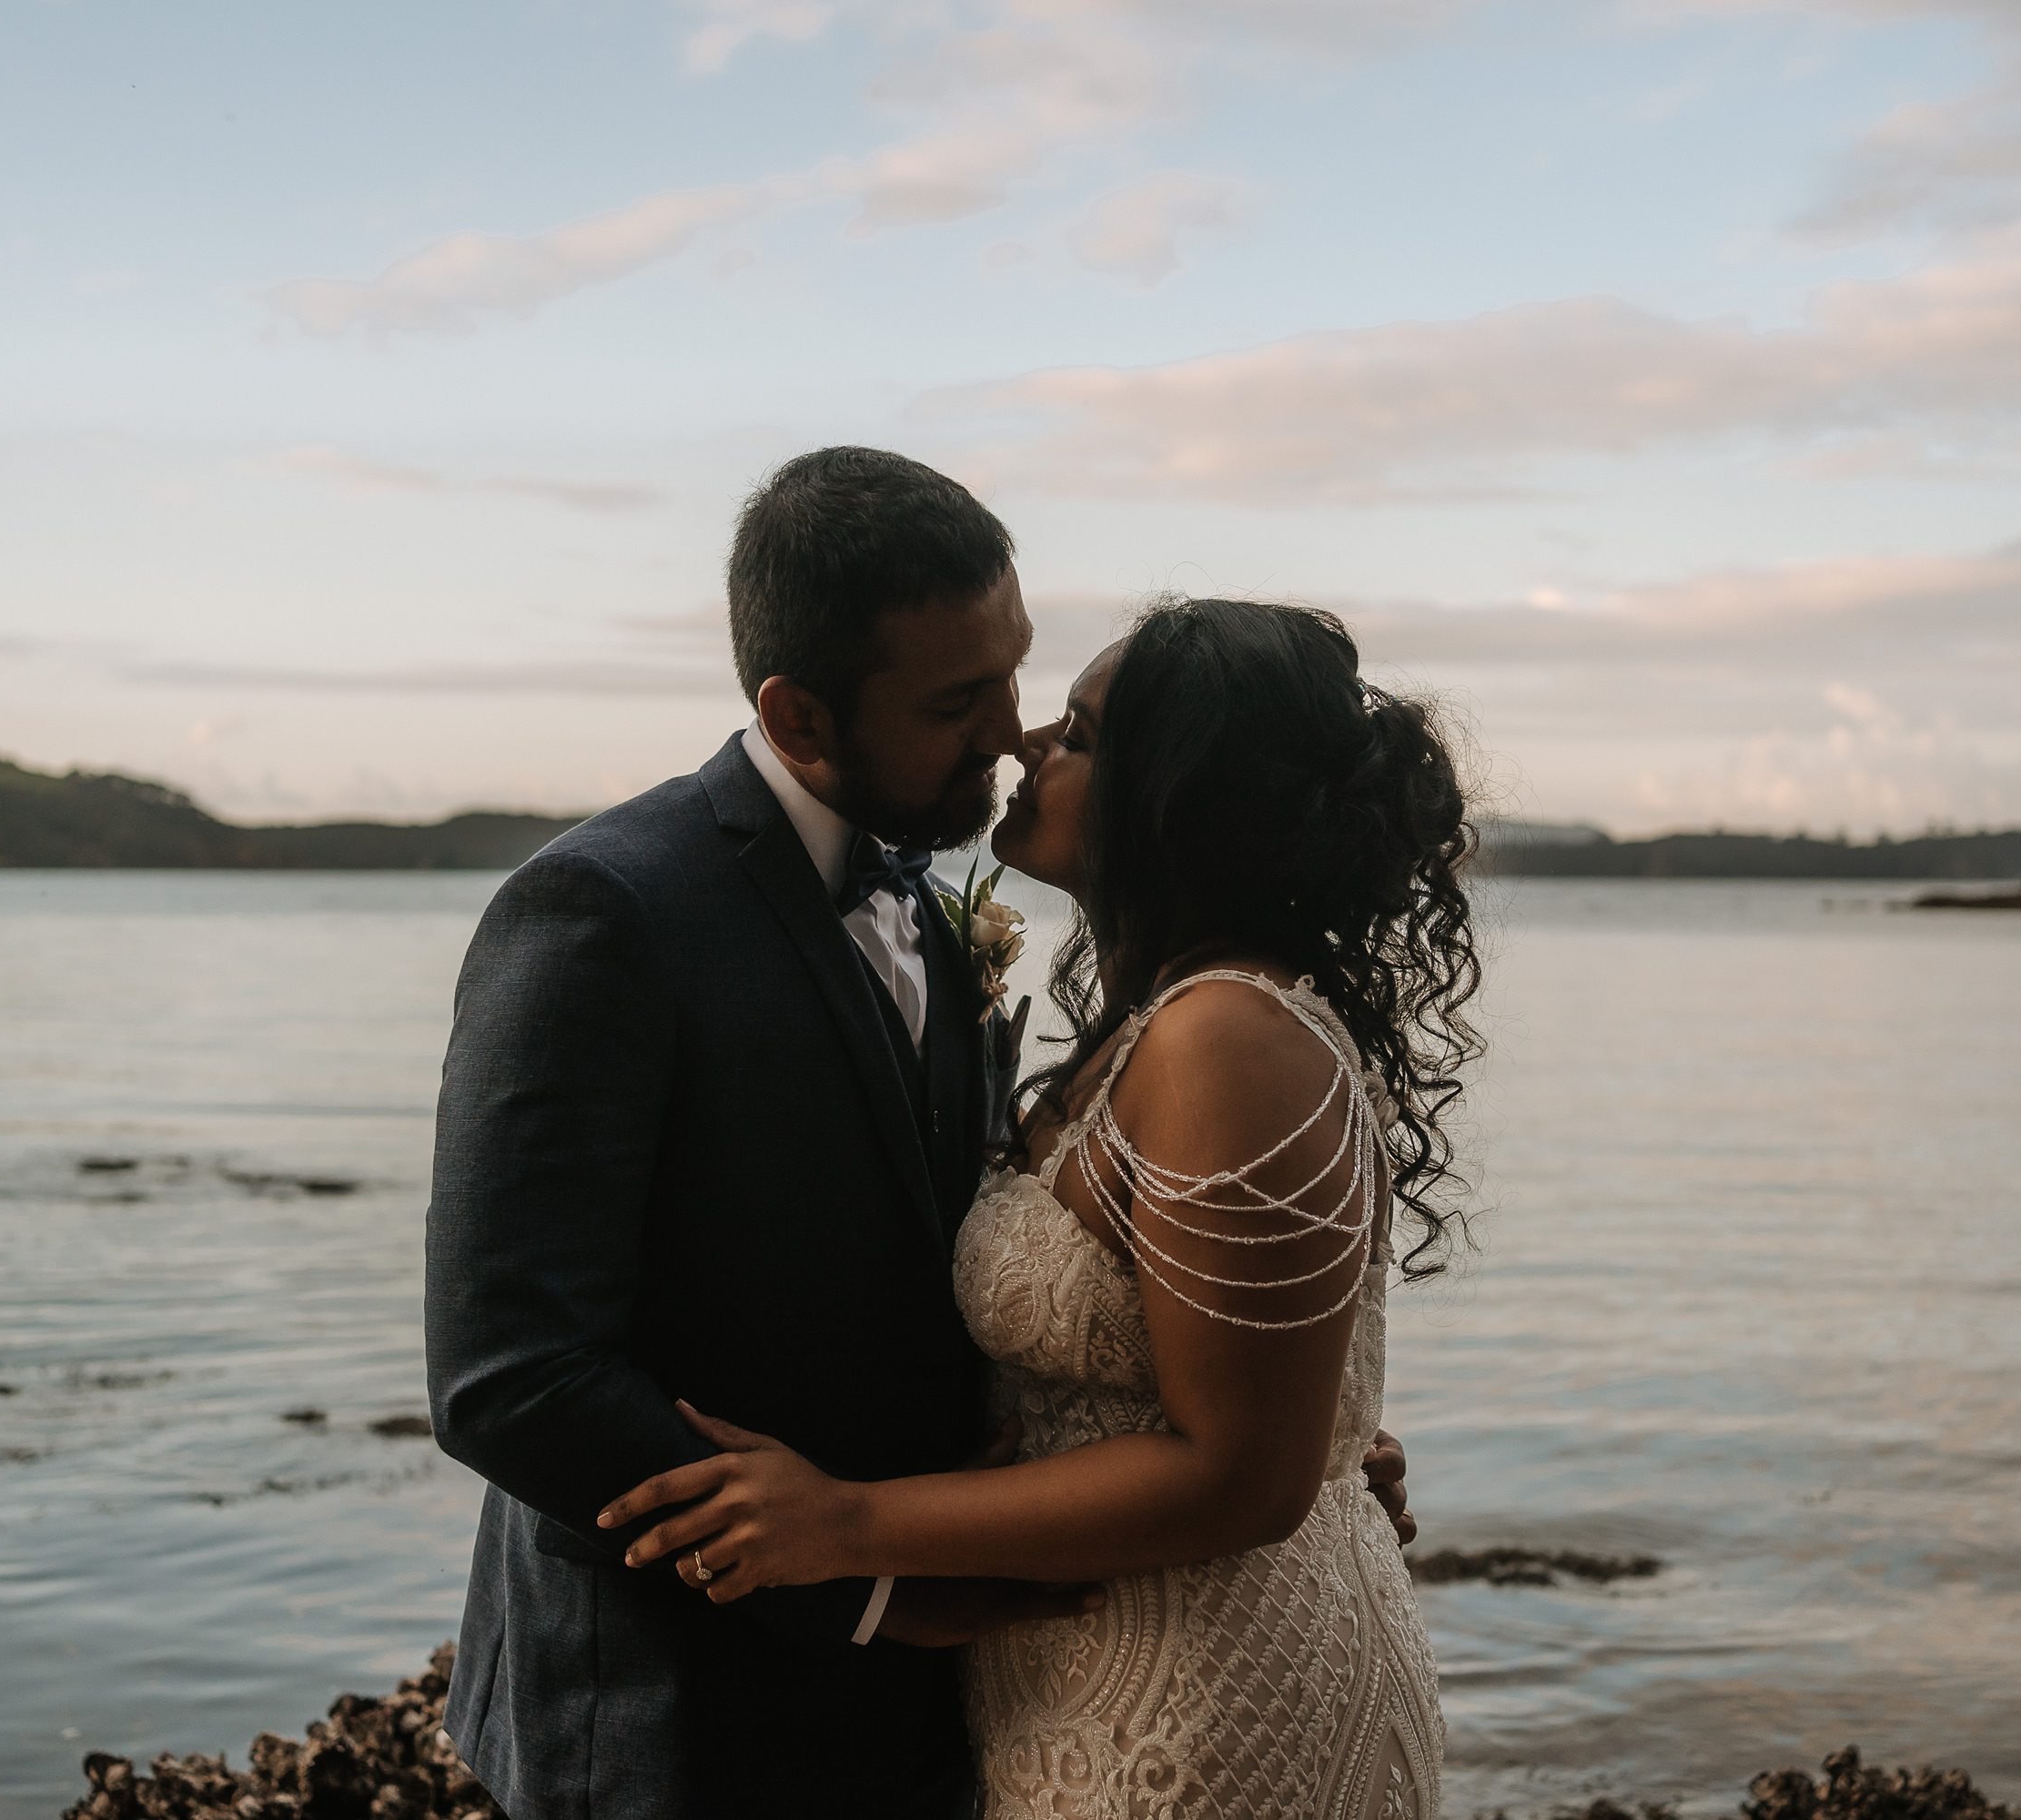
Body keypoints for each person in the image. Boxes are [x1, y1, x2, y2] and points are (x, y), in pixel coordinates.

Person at [426, 450, 1417, 1820]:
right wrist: (871, 1580)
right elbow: (510, 1375)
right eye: (962, 701)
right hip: (682, 1709)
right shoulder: (605, 914)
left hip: (991, 1692)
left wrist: (1291, 1424)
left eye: (1022, 682)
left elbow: (968, 1282)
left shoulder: (962, 933)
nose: (1013, 734)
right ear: (802, 716)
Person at [599, 597, 1478, 1819]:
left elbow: (1243, 1477)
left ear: (1181, 792)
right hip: (1085, 1676)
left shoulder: (1227, 1035)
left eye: (1083, 731)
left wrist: (849, 1522)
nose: (1027, 743)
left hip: (1211, 1705)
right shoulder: (1154, 1023)